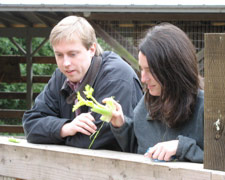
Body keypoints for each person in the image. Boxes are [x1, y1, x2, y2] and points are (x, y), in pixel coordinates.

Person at [22, 16, 143, 151]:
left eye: (72, 54)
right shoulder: (60, 76)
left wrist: (52, 135)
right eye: (59, 55)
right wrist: (65, 128)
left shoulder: (116, 76)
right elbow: (31, 124)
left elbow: (92, 141)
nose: (65, 63)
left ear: (92, 49)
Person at [106, 23, 204, 162]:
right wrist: (121, 126)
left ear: (173, 69)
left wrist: (182, 147)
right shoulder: (145, 105)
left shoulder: (206, 109)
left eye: (150, 70)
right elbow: (138, 149)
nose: (143, 78)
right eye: (142, 69)